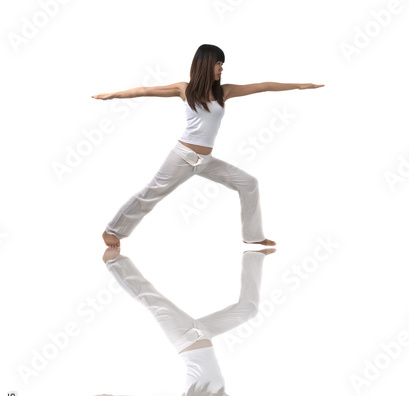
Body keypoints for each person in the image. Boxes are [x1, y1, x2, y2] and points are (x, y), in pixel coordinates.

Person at [91, 44, 324, 248]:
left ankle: (253, 237)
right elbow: (144, 90)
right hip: (183, 157)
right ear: (204, 64)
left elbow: (262, 86)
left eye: (222, 63)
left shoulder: (224, 91)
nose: (222, 68)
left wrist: (300, 86)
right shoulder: (184, 89)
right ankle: (112, 230)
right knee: (151, 194)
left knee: (249, 183)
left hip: (206, 161)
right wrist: (112, 95)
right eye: (218, 63)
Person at [92, 247, 324, 396]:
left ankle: (113, 261)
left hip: (183, 338)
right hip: (205, 333)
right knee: (248, 310)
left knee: (152, 299)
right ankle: (254, 254)